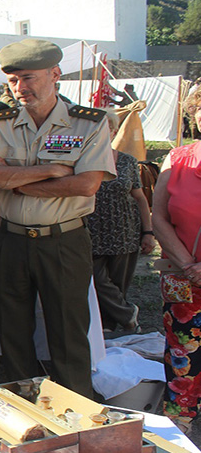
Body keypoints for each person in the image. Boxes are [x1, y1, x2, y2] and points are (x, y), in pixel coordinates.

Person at [0, 39, 115, 398]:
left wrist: (17, 182)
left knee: (68, 333)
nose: (21, 88)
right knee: (12, 332)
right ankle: (21, 407)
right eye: (13, 81)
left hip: (63, 241)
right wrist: (52, 170)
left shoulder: (89, 124)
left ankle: (75, 410)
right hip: (10, 240)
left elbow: (85, 184)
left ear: (55, 75)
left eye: (29, 78)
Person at [153, 86, 201, 427]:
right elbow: (159, 217)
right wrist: (188, 265)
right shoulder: (177, 158)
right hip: (182, 277)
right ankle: (180, 422)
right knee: (182, 352)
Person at [88, 110, 154, 332]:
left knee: (119, 282)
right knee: (95, 278)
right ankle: (127, 313)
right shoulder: (82, 160)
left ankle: (108, 323)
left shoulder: (127, 162)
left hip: (124, 230)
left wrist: (148, 232)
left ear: (113, 130)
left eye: (105, 126)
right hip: (91, 230)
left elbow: (140, 199)